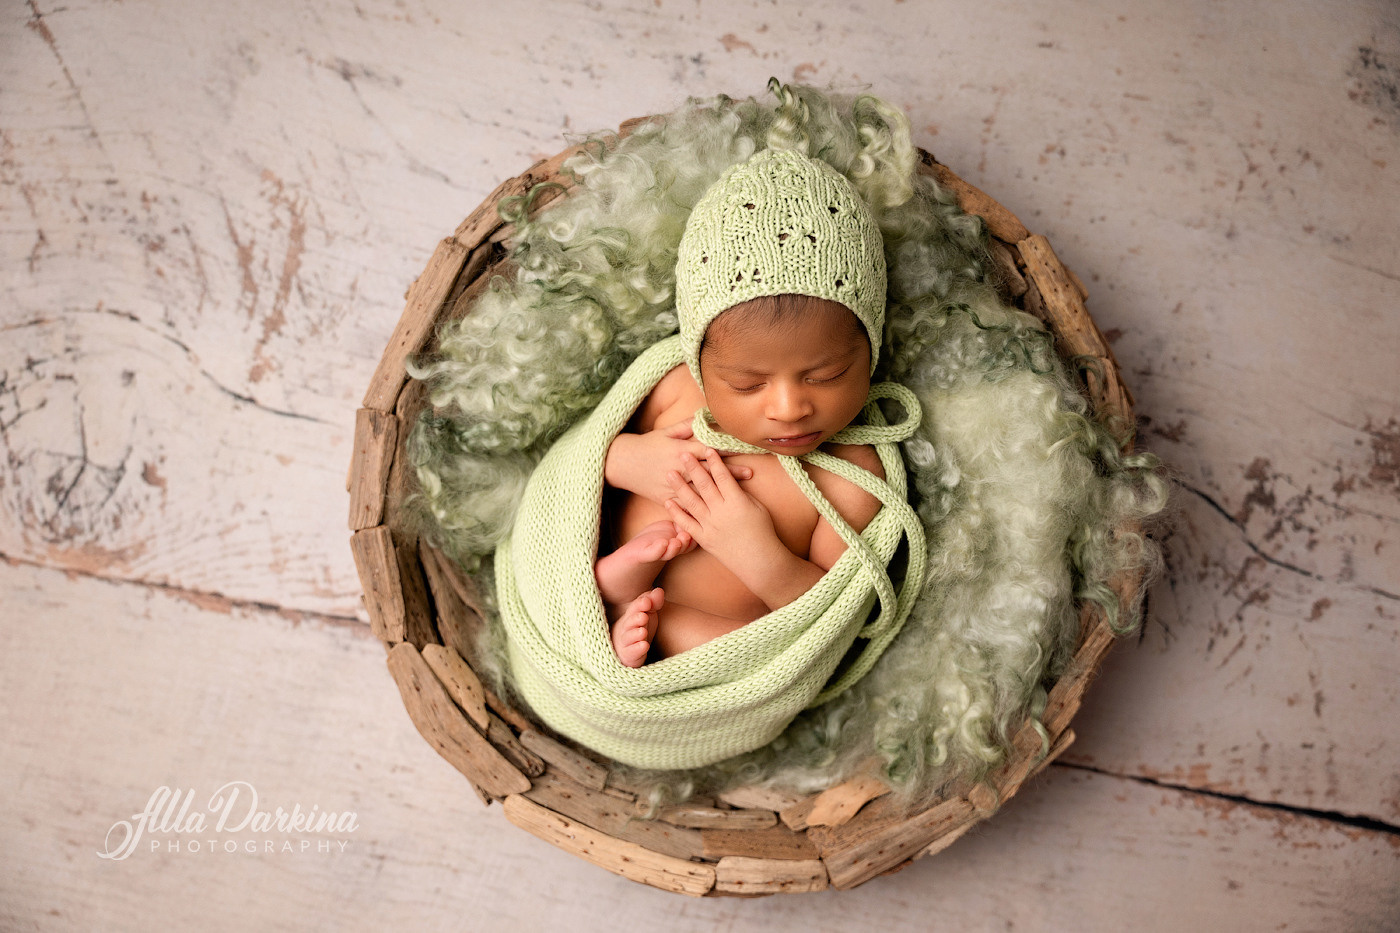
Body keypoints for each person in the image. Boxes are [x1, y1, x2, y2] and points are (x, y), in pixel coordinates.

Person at [594, 147, 894, 667]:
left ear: (870, 349)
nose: (789, 408)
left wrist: (757, 554)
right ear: (699, 364)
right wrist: (627, 460)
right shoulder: (676, 389)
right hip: (621, 563)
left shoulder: (852, 475)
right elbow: (581, 457)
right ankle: (606, 594)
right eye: (746, 384)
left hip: (713, 633)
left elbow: (829, 613)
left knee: (761, 653)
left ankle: (639, 621)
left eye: (826, 376)